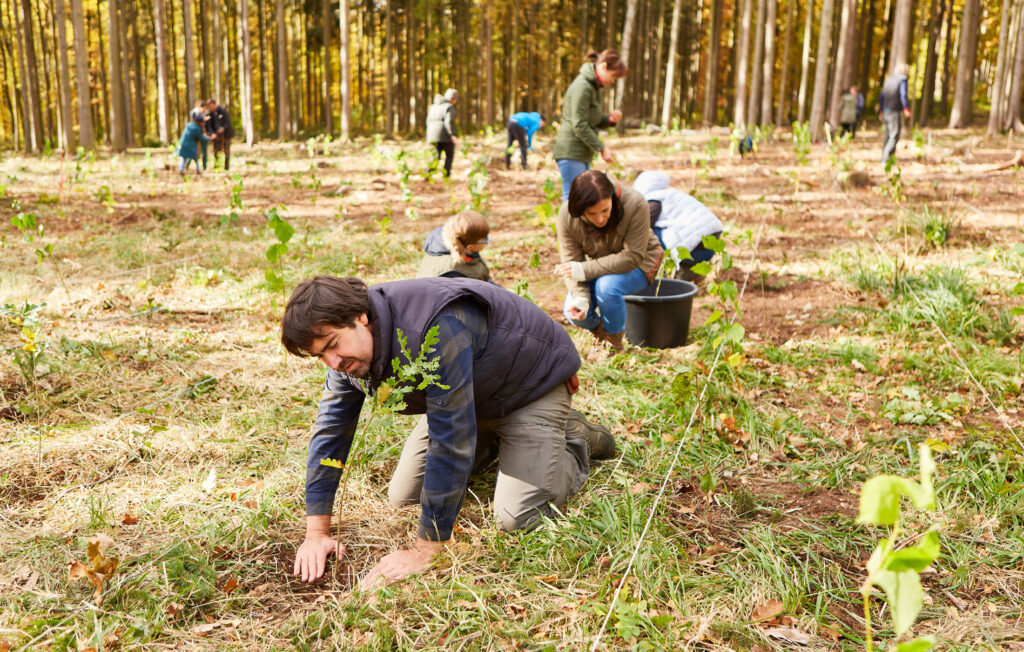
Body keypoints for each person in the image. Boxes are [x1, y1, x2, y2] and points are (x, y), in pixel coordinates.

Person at [282, 275, 616, 587]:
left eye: (333, 344)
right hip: (469, 398)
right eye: (320, 355)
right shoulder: (346, 358)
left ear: (360, 317)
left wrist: (426, 549)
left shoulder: (433, 327)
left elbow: (451, 437)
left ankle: (573, 436)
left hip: (529, 388)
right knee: (405, 496)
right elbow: (331, 431)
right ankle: (508, 443)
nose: (333, 362)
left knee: (516, 517)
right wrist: (317, 533)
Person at [555, 170, 663, 351]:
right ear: (580, 209)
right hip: (598, 265)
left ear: (612, 198)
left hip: (641, 262)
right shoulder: (567, 216)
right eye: (591, 213)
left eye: (605, 210)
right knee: (572, 311)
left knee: (607, 287)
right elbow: (571, 262)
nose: (600, 219)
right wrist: (581, 297)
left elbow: (633, 256)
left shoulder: (634, 203)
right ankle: (601, 333)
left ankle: (613, 344)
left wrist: (583, 270)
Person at [552, 49, 628, 201]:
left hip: (583, 152)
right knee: (574, 199)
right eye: (613, 76)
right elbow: (579, 125)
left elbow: (593, 121)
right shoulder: (583, 86)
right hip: (571, 151)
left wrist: (610, 120)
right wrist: (601, 147)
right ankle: (567, 226)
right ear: (603, 66)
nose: (612, 81)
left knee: (584, 198)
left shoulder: (594, 88)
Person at [632, 171, 723, 283]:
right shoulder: (670, 195)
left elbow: (641, 230)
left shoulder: (653, 200)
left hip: (695, 247)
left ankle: (658, 275)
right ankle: (689, 272)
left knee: (647, 234)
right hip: (708, 248)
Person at [416, 210, 493, 282]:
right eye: (485, 239)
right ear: (469, 247)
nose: (487, 240)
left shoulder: (439, 245)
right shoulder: (462, 274)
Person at [879, 65, 911, 163]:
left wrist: (881, 110)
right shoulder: (902, 80)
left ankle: (885, 158)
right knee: (894, 135)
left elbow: (882, 96)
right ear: (905, 72)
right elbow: (903, 95)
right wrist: (906, 108)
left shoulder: (889, 80)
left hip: (886, 110)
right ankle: (886, 159)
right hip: (894, 111)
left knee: (888, 135)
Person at [426, 89, 458, 178]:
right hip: (444, 135)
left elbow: (428, 121)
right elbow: (448, 122)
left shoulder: (433, 106)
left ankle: (428, 175)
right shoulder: (448, 107)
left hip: (432, 134)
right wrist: (452, 135)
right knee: (449, 155)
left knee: (435, 156)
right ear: (453, 99)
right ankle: (446, 176)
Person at [205, 99, 234, 171]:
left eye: (211, 107)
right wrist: (212, 133)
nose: (211, 108)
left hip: (226, 135)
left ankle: (226, 167)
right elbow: (208, 125)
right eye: (209, 107)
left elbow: (228, 123)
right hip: (216, 136)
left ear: (215, 105)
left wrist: (223, 128)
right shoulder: (210, 114)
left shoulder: (223, 111)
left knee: (226, 151)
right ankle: (217, 166)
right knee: (216, 151)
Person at [189, 100, 209, 170]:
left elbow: (207, 123)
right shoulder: (194, 112)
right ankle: (187, 166)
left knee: (204, 152)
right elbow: (195, 119)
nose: (205, 110)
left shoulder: (205, 113)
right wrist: (203, 118)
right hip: (195, 135)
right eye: (204, 108)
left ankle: (204, 167)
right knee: (193, 151)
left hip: (203, 134)